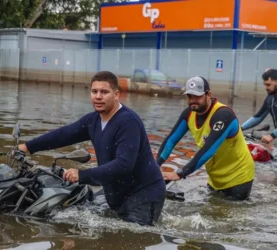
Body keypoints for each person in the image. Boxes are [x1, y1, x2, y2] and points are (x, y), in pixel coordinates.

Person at [17, 71, 166, 226]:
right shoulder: (92, 120)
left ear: (116, 94)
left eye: (104, 92)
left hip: (144, 194)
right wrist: (27, 146)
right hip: (117, 193)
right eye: (94, 91)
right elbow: (64, 134)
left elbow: (124, 164)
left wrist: (82, 175)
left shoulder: (128, 122)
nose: (98, 96)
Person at [156, 76, 255, 201]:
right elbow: (171, 140)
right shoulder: (188, 114)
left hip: (239, 177)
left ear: (208, 94)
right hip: (215, 179)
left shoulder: (223, 115)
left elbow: (208, 150)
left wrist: (180, 173)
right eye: (190, 96)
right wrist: (155, 166)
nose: (193, 100)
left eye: (197, 96)